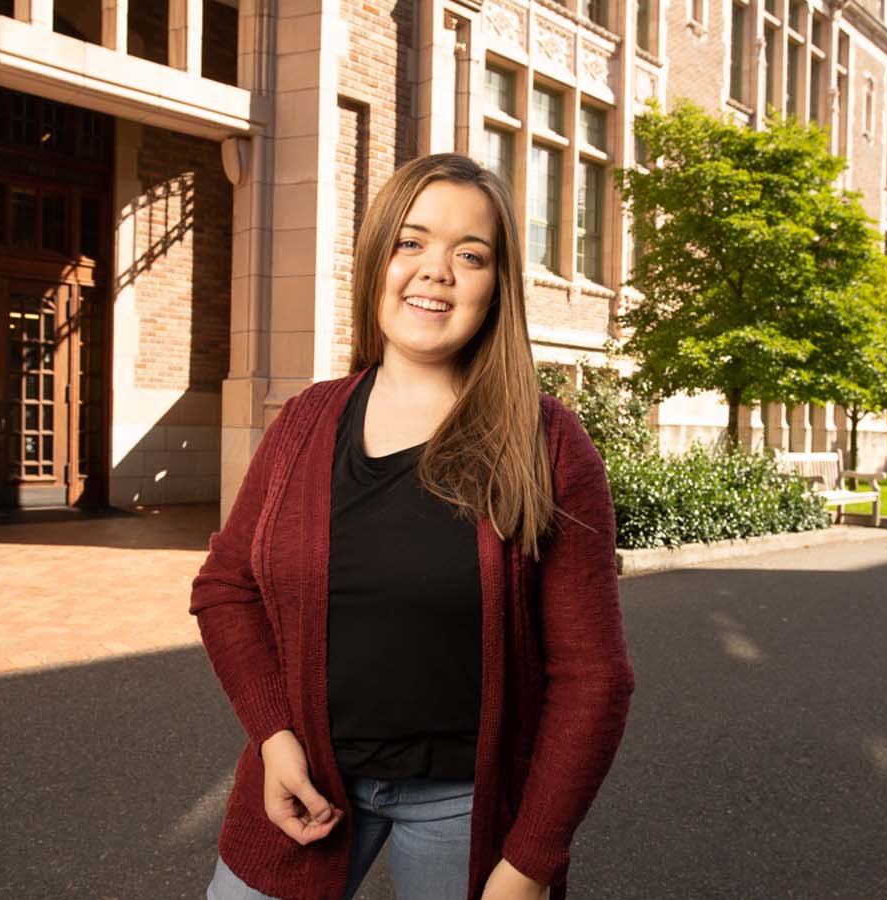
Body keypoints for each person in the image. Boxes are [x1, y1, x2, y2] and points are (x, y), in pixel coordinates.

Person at [190, 153, 635, 900]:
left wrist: (529, 862)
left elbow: (595, 677)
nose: (438, 271)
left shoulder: (548, 443)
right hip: (307, 779)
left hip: (468, 802)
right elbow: (225, 588)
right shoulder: (303, 422)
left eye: (472, 254)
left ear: (497, 288)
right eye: (412, 242)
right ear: (377, 262)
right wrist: (273, 738)